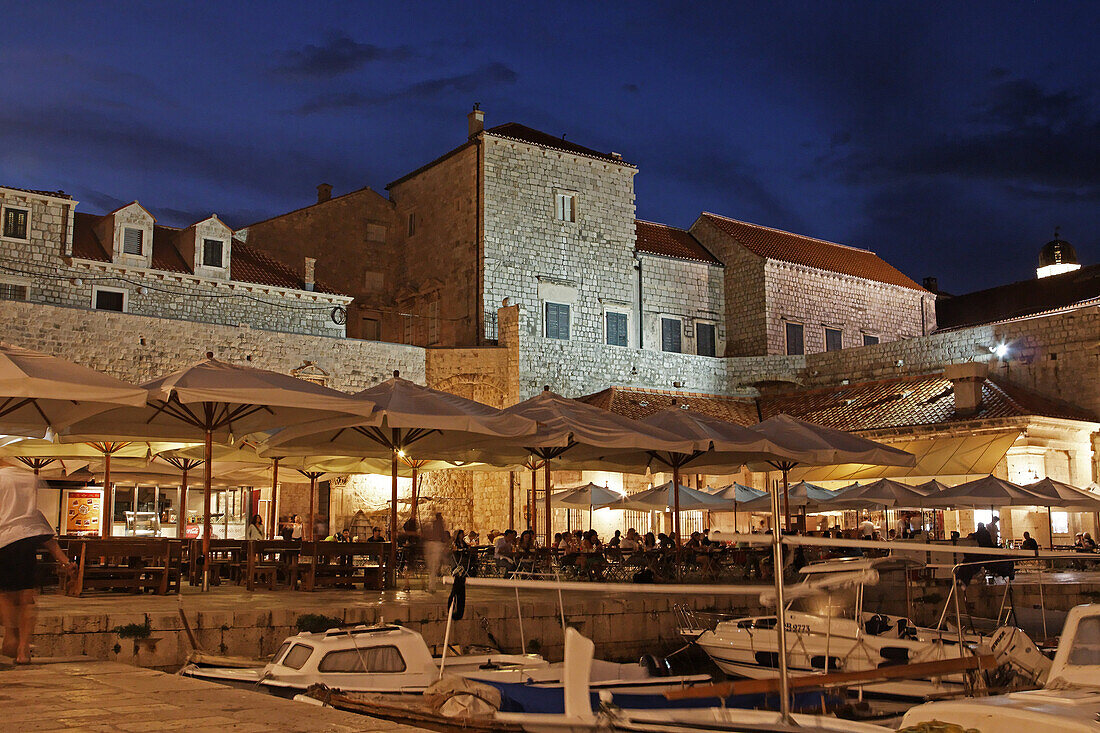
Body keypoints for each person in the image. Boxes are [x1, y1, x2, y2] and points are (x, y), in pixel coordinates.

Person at [1, 464, 76, 664]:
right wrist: (65, 561)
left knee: (5, 595)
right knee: (27, 598)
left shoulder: (2, 479)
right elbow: (46, 536)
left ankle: (11, 636)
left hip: (2, 543)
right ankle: (23, 649)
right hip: (25, 545)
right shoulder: (26, 482)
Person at [423, 512, 446, 592]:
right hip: (435, 545)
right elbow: (442, 536)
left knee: (433, 567)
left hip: (432, 544)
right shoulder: (439, 525)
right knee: (433, 566)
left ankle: (431, 585)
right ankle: (431, 586)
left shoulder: (432, 525)